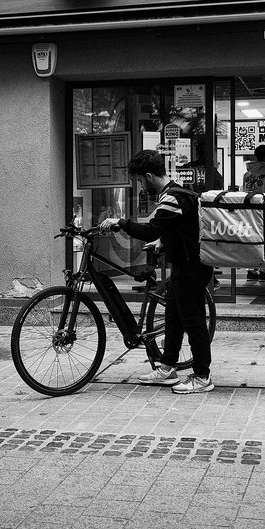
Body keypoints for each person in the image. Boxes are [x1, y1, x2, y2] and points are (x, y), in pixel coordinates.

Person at [99, 149, 215, 394]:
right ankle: (167, 368)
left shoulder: (171, 198)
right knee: (174, 319)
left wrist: (120, 223)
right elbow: (181, 229)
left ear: (150, 176)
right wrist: (163, 242)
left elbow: (152, 229)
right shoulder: (176, 193)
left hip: (191, 270)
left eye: (141, 180)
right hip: (186, 267)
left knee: (193, 323)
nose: (141, 185)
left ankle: (203, 376)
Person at [242, 144, 265, 282]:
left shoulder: (247, 173)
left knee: (251, 240)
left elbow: (244, 193)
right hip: (263, 211)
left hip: (248, 211)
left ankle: (251, 270)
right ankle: (264, 270)